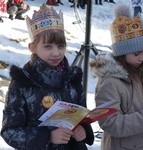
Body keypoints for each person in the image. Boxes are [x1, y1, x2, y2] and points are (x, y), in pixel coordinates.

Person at [1, 4, 94, 150]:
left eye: (61, 46)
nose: (56, 53)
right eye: (48, 46)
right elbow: (10, 132)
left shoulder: (72, 79)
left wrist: (82, 129)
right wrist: (47, 137)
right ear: (32, 48)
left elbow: (82, 115)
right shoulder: (23, 82)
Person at [90, 4, 143, 150]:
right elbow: (110, 123)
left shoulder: (142, 73)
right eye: (136, 54)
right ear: (122, 54)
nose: (141, 58)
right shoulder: (110, 81)